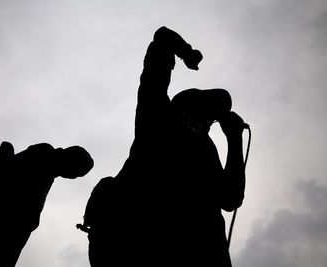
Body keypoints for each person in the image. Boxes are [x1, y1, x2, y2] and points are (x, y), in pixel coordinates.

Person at [83, 26, 246, 267]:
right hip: (143, 241)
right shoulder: (159, 113)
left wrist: (234, 139)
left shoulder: (206, 148)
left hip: (195, 247)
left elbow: (230, 198)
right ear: (186, 102)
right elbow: (161, 40)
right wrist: (185, 51)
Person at [0, 141, 94, 267]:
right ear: (70, 159)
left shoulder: (48, 168)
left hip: (1, 229)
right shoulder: (42, 158)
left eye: (77, 176)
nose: (73, 177)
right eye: (76, 171)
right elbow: (20, 199)